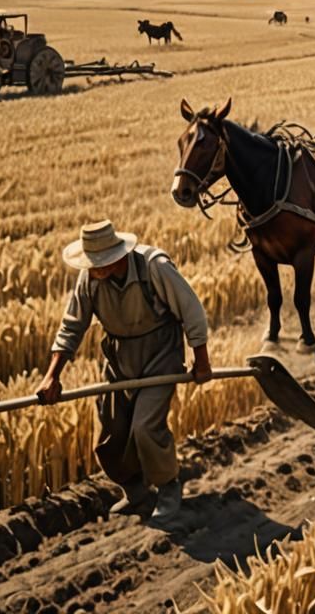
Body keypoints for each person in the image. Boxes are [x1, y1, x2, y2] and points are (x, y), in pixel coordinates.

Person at [39, 221, 212, 522]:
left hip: (161, 354)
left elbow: (191, 309)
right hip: (119, 359)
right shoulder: (89, 279)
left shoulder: (153, 266)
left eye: (100, 263)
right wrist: (52, 375)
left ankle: (168, 487)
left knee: (145, 428)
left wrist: (201, 360)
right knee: (110, 436)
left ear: (116, 256)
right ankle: (135, 491)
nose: (94, 269)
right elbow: (71, 327)